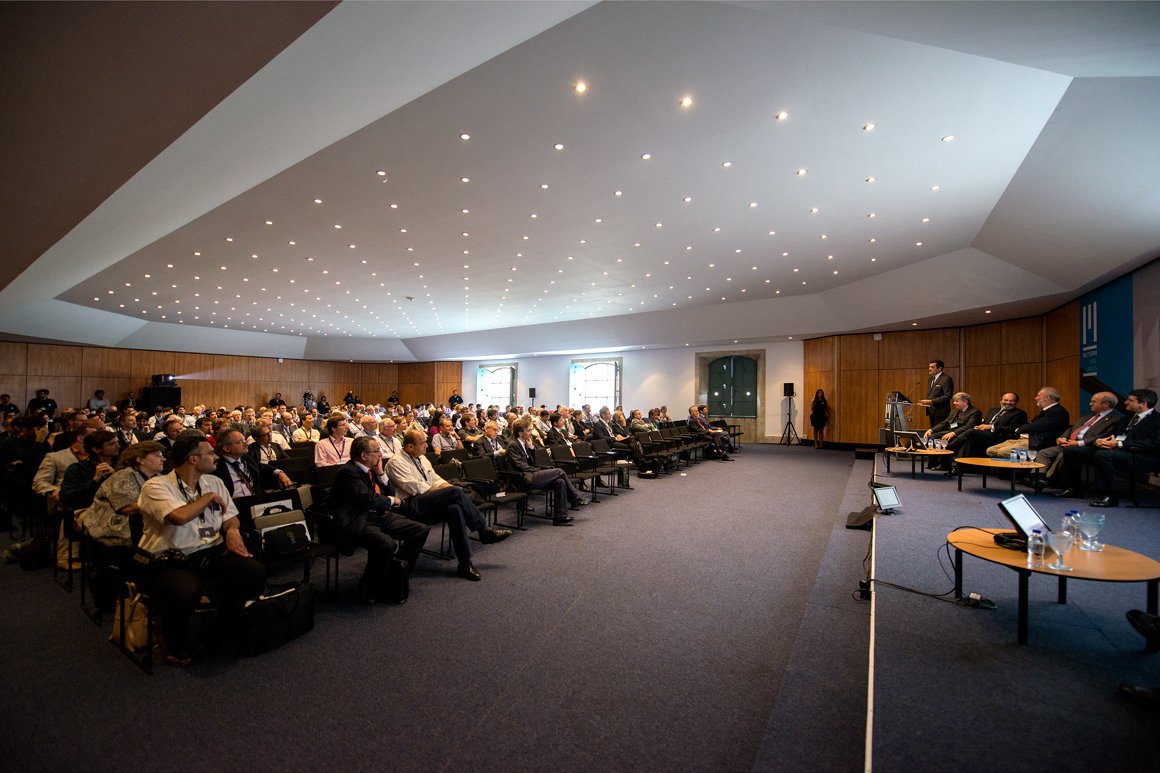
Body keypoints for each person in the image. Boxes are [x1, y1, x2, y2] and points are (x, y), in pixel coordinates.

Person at [137, 435, 267, 666]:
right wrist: (207, 498)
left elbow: (231, 516)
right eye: (210, 453)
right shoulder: (156, 486)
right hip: (171, 559)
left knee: (254, 572)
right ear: (193, 459)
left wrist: (232, 531)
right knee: (186, 591)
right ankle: (172, 639)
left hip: (210, 552)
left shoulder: (213, 482)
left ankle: (214, 625)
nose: (216, 457)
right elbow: (178, 517)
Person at [385, 430, 512, 580]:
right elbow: (416, 488)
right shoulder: (396, 462)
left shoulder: (421, 458)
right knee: (454, 492)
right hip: (410, 505)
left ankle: (464, 563)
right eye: (423, 443)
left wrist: (448, 488)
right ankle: (483, 530)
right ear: (410, 446)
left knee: (455, 508)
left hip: (428, 501)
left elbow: (435, 479)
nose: (427, 446)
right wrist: (450, 491)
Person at [319, 436, 430, 603]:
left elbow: (389, 491)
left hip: (377, 514)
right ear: (364, 455)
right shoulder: (347, 472)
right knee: (386, 544)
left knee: (420, 530)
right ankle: (367, 585)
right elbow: (367, 498)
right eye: (377, 451)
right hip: (358, 518)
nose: (380, 454)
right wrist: (392, 501)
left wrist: (381, 473)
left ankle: (396, 573)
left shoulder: (371, 470)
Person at [1085, 388, 1160, 507]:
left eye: (1130, 400)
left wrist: (1120, 444)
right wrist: (1102, 441)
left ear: (1143, 403)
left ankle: (1109, 496)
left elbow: (1154, 443)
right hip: (1123, 451)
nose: (1125, 402)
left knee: (1103, 455)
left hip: (1143, 456)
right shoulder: (1127, 418)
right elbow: (1115, 435)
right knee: (1082, 451)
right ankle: (1090, 489)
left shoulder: (1157, 420)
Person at [1038, 392, 1120, 496]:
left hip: (1088, 447)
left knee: (1066, 454)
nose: (1090, 404)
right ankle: (1038, 478)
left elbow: (1104, 436)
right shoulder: (1089, 416)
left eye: (1093, 401)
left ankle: (1052, 481)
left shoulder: (1115, 420)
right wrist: (1062, 437)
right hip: (1069, 443)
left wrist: (1078, 443)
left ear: (1106, 404)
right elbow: (1072, 428)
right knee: (1044, 452)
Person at [505, 419, 585, 524]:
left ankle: (560, 517)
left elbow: (532, 462)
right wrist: (537, 470)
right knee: (559, 471)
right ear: (520, 433)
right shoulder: (513, 445)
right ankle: (575, 497)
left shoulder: (524, 443)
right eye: (528, 430)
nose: (531, 433)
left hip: (530, 475)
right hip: (522, 479)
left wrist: (531, 448)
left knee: (560, 482)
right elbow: (520, 466)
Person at [984, 387, 1071, 458]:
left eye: (1038, 396)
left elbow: (1035, 426)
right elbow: (1031, 424)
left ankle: (1018, 471)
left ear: (1046, 397)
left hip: (1035, 443)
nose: (1036, 398)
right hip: (1023, 439)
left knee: (1002, 452)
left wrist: (1019, 429)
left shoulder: (1057, 412)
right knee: (991, 450)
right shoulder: (1045, 411)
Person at [212, 428, 294, 498]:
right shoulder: (216, 468)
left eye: (244, 440)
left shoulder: (246, 459)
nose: (246, 444)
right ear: (227, 448)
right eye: (240, 442)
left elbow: (262, 467)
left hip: (256, 499)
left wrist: (280, 473)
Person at [922, 392, 982, 471]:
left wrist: (953, 433)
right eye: (954, 401)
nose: (954, 403)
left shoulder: (975, 412)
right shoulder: (954, 411)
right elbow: (945, 423)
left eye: (957, 401)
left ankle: (945, 465)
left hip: (962, 434)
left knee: (945, 440)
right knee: (931, 437)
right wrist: (931, 430)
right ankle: (933, 463)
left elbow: (969, 426)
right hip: (950, 432)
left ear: (965, 402)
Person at [960, 392, 1028, 457]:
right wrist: (979, 427)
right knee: (970, 440)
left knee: (971, 432)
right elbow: (985, 423)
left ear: (1016, 402)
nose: (1008, 402)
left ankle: (953, 446)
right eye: (1006, 400)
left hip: (1000, 437)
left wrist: (991, 427)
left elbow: (1011, 429)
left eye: (1011, 401)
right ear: (1000, 401)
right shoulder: (992, 410)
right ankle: (962, 463)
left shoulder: (1019, 413)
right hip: (985, 434)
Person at [919, 360, 953, 428]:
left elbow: (948, 395)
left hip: (941, 413)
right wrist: (925, 403)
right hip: (932, 411)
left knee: (940, 432)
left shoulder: (946, 379)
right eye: (929, 367)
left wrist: (931, 401)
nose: (929, 369)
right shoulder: (930, 379)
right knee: (933, 431)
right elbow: (932, 394)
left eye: (932, 367)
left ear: (939, 368)